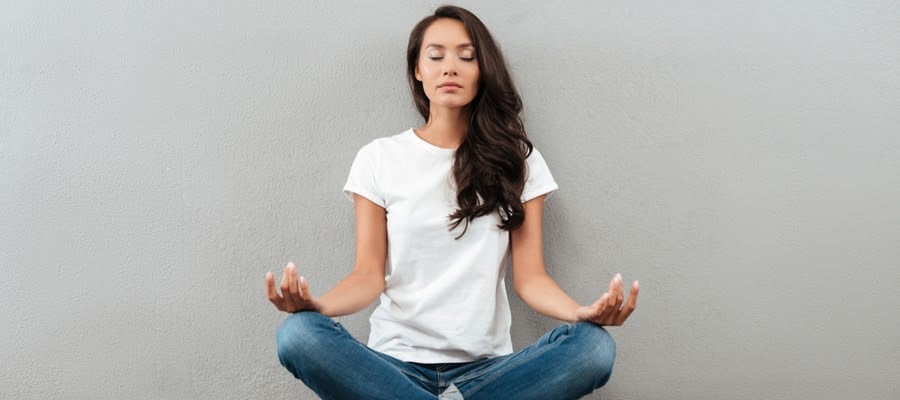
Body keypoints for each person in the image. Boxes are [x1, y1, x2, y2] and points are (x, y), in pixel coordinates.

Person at [265, 5, 639, 400]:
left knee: (594, 348)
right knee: (298, 334)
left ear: (483, 70)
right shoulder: (379, 158)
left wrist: (581, 312)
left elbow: (531, 279)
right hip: (394, 367)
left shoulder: (519, 161)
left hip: (490, 372)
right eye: (436, 55)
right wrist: (317, 305)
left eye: (467, 56)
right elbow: (367, 276)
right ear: (417, 70)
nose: (450, 67)